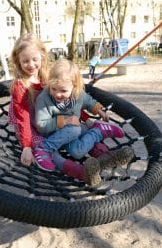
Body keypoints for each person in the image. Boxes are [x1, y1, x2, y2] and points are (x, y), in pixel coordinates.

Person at [8, 33, 103, 185]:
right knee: (47, 151)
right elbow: (23, 118)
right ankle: (81, 173)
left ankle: (102, 154)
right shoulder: (20, 86)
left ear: (42, 56)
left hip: (50, 122)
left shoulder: (48, 77)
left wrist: (84, 118)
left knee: (77, 130)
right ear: (18, 61)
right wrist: (26, 146)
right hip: (30, 129)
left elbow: (68, 103)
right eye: (25, 61)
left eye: (34, 59)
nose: (31, 65)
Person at [34, 58, 133, 173]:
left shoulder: (78, 94)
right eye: (53, 88)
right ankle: (97, 132)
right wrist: (66, 120)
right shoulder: (44, 99)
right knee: (76, 143)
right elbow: (41, 125)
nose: (57, 94)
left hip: (74, 130)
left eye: (63, 90)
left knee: (76, 143)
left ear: (75, 87)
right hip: (56, 135)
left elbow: (88, 101)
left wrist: (98, 110)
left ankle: (97, 132)